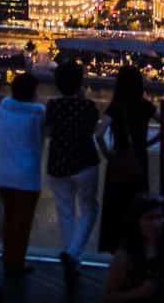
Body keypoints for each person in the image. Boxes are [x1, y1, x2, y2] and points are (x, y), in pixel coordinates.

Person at [46, 58, 102, 278]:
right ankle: (73, 253)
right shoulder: (88, 106)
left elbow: (49, 132)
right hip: (84, 162)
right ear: (80, 83)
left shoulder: (52, 106)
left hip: (58, 163)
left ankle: (71, 255)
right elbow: (90, 130)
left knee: (64, 211)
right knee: (89, 209)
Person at [97, 65, 158, 253]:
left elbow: (99, 134)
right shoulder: (146, 105)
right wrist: (148, 143)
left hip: (118, 161)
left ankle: (116, 249)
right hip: (139, 160)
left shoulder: (115, 106)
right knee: (138, 206)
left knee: (116, 208)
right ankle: (137, 248)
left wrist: (108, 154)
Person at [102, 194, 164, 303]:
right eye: (149, 218)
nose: (156, 224)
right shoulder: (125, 254)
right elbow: (108, 297)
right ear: (136, 221)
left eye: (159, 217)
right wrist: (137, 293)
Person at [0, 71, 45, 276]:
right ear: (33, 92)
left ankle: (7, 259)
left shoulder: (3, 106)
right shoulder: (37, 112)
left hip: (2, 174)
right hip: (26, 177)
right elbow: (46, 130)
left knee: (8, 219)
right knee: (22, 224)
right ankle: (17, 264)